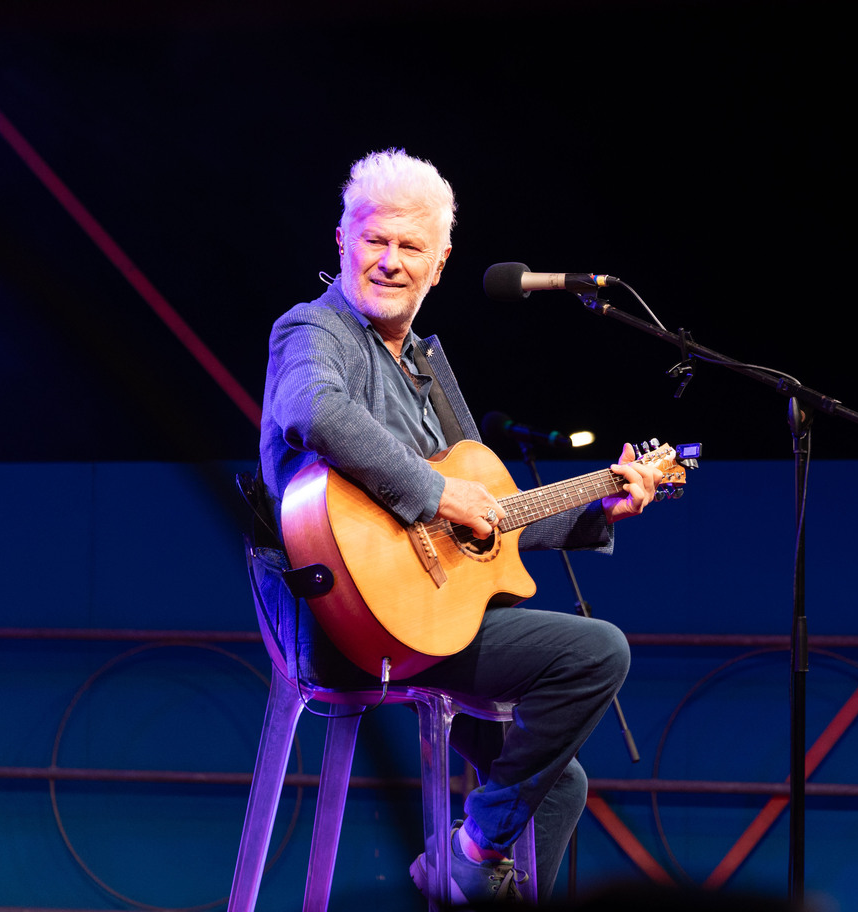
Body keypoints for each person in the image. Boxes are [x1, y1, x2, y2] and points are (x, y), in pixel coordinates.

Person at [254, 148, 662, 904]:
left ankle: (470, 863)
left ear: (439, 265)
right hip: (340, 619)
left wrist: (598, 508)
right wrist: (438, 495)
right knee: (598, 651)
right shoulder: (313, 329)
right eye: (375, 239)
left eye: (411, 247)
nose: (390, 261)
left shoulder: (427, 367)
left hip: (424, 620)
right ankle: (471, 849)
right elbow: (314, 411)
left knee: (560, 786)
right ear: (341, 241)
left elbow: (489, 511)